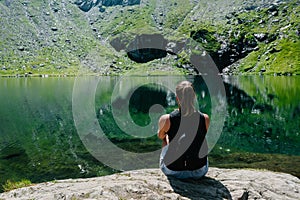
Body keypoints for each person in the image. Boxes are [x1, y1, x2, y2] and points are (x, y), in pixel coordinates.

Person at [157, 80, 210, 179]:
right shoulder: (205, 118)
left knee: (165, 137)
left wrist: (167, 137)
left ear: (177, 98)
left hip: (173, 171)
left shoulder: (166, 119)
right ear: (194, 97)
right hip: (199, 171)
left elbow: (161, 136)